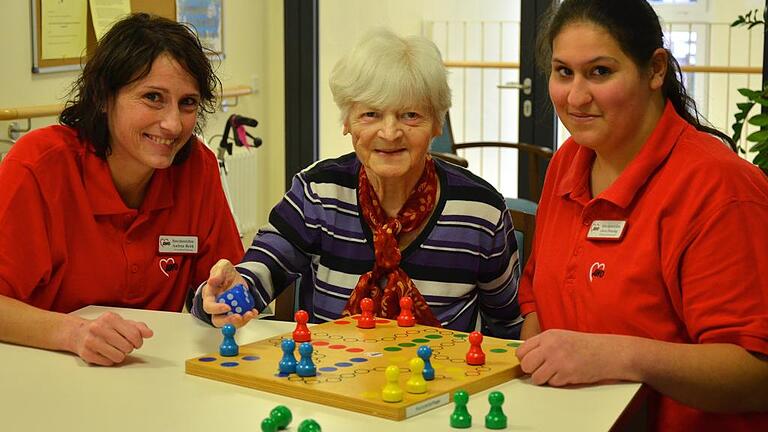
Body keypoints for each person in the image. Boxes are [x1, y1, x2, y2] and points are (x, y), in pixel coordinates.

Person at [515, 0, 768, 430]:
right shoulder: (567, 162)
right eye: (563, 72)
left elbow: (756, 372)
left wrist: (620, 355)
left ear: (655, 70)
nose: (576, 97)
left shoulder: (719, 189)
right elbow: (537, 292)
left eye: (600, 72)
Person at [192, 29, 522, 338]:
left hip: (442, 390)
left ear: (437, 124)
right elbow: (262, 268)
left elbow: (508, 326)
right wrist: (226, 293)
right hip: (332, 386)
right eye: (371, 115)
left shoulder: (481, 210)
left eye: (410, 115)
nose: (390, 133)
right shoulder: (318, 192)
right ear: (347, 122)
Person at [0, 13, 243, 366]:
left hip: (151, 375)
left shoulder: (197, 168)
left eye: (187, 103)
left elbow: (219, 282)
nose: (173, 124)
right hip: (42, 375)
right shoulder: (39, 167)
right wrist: (74, 333)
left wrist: (222, 297)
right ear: (103, 97)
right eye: (153, 97)